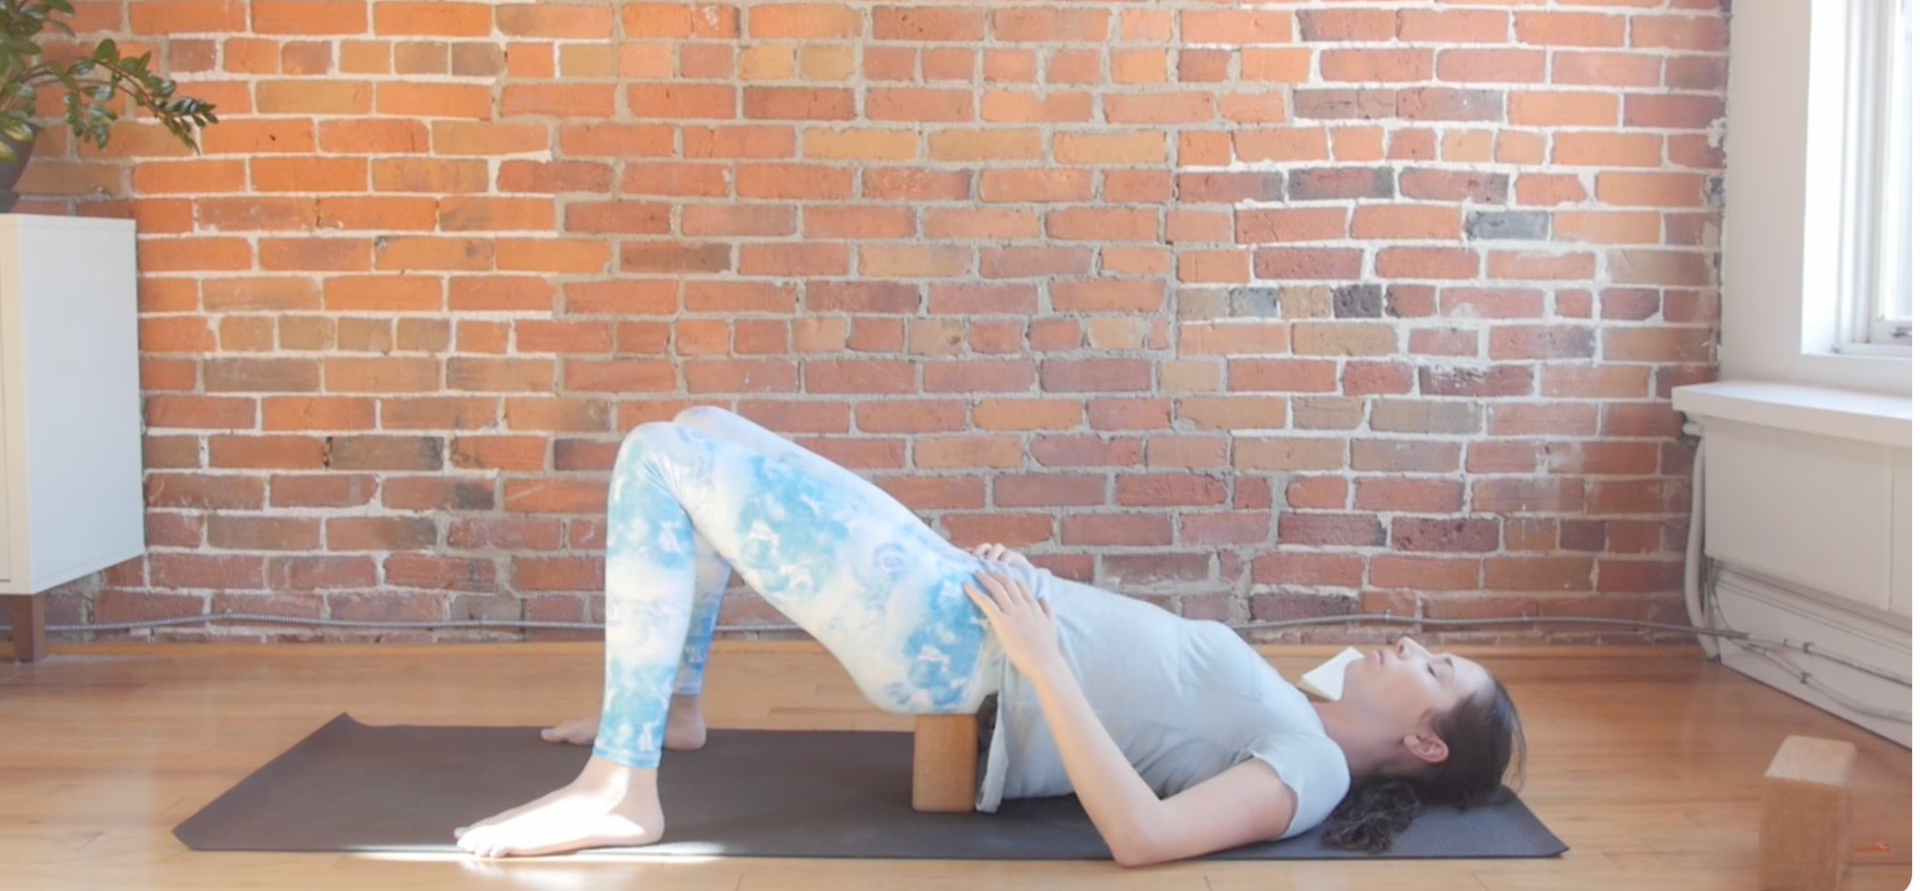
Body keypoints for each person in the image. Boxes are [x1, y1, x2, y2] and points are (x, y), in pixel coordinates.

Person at [454, 407, 1526, 864]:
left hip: (954, 650)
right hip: (962, 597)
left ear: (1428, 741)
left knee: (657, 453)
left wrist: (1044, 656)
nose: (1406, 645)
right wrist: (1035, 591)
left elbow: (1144, 839)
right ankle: (675, 709)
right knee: (699, 431)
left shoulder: (1312, 770)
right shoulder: (1299, 706)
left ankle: (622, 785)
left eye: (1435, 669)